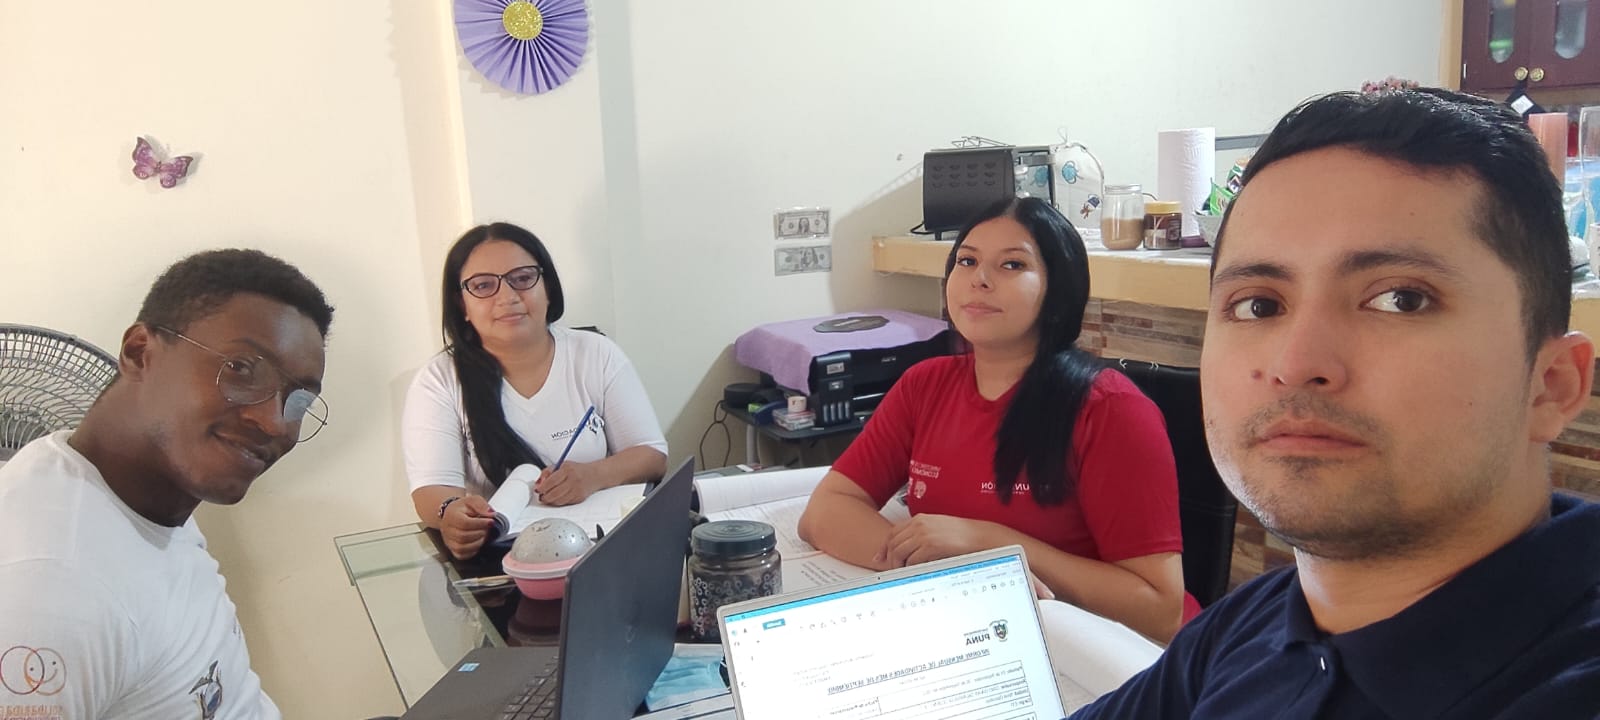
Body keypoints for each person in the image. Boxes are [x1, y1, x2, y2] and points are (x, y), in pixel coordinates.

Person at [1073, 89, 1600, 718]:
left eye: (1401, 299)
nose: (1296, 364)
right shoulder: (1254, 624)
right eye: (1258, 305)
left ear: (1551, 385)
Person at [798, 197, 1197, 643]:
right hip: (985, 630)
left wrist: (991, 546)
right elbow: (824, 512)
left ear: (1057, 290)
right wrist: (945, 573)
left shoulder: (1109, 408)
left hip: (1109, 653)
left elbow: (1160, 611)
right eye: (967, 261)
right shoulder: (924, 385)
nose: (979, 279)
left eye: (1012, 265)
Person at [0, 249, 333, 719]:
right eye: (241, 368)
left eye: (298, 400)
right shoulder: (52, 590)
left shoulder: (143, 497)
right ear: (140, 352)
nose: (275, 423)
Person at [403, 222, 667, 559]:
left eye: (522, 278)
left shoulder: (596, 354)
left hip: (601, 551)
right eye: (483, 285)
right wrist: (451, 513)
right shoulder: (439, 380)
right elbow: (431, 489)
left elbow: (651, 454)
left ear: (548, 288)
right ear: (462, 304)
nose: (507, 297)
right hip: (503, 560)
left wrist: (593, 476)